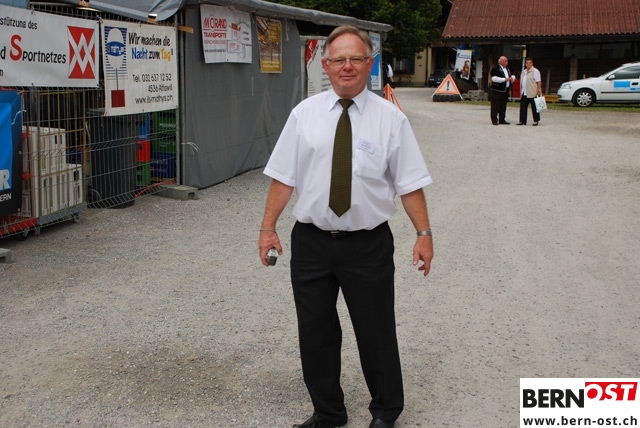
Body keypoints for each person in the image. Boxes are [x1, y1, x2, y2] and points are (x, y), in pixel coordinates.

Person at [258, 26, 434, 428]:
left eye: (356, 59)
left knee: (375, 331)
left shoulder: (391, 120)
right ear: (326, 65)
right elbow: (283, 176)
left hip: (367, 245)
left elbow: (409, 183)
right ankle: (328, 412)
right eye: (339, 59)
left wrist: (423, 234)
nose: (347, 66)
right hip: (312, 243)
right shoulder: (304, 115)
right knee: (315, 332)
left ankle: (386, 411)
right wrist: (268, 228)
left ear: (370, 64)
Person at [489, 56, 516, 125]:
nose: (506, 62)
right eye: (505, 61)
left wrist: (512, 78)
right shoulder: (495, 69)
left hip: (505, 90)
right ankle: (494, 120)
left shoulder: (508, 69)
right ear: (500, 61)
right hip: (497, 90)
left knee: (503, 106)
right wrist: (504, 79)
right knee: (495, 106)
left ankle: (502, 119)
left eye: (507, 61)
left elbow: (513, 75)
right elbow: (494, 79)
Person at [517, 57, 543, 126]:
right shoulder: (523, 72)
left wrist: (539, 90)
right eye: (527, 63)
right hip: (524, 92)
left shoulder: (535, 71)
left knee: (534, 107)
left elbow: (538, 82)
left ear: (532, 63)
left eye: (530, 63)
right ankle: (522, 121)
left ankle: (536, 120)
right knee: (523, 107)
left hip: (532, 92)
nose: (528, 64)